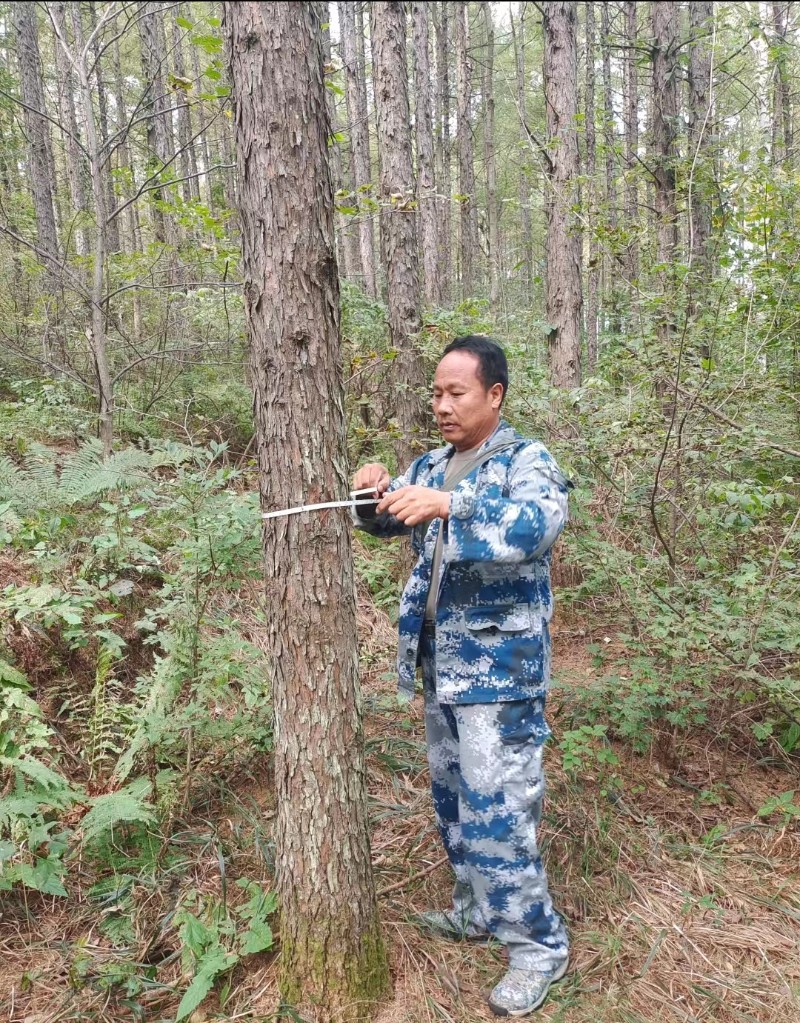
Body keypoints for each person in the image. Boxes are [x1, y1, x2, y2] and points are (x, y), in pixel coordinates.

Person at [352, 335, 571, 1017]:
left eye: (456, 392)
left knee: (500, 807)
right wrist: (368, 495)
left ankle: (537, 947)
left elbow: (540, 525)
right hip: (442, 667)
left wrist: (453, 506)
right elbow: (386, 524)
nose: (441, 405)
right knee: (453, 797)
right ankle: (476, 909)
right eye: (436, 393)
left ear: (494, 395)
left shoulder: (523, 460)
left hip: (500, 677)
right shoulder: (433, 461)